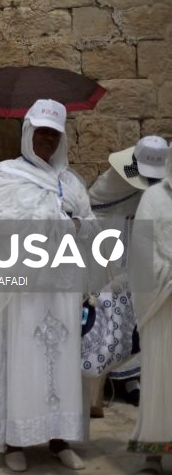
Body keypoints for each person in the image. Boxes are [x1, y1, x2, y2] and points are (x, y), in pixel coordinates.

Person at [0, 100, 94, 471]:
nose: (47, 139)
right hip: (22, 286)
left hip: (61, 284)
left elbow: (90, 225)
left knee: (61, 361)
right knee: (21, 359)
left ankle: (59, 438)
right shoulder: (4, 175)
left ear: (61, 138)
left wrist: (74, 224)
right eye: (41, 132)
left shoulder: (71, 182)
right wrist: (51, 218)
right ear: (28, 134)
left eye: (53, 134)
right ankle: (14, 441)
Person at [87, 136, 169, 415]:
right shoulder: (118, 178)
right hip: (109, 246)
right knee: (111, 314)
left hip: (140, 247)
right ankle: (96, 390)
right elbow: (96, 210)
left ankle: (133, 378)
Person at [127, 141, 172, 475]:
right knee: (161, 375)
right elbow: (142, 257)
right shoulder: (153, 200)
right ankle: (154, 453)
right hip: (164, 303)